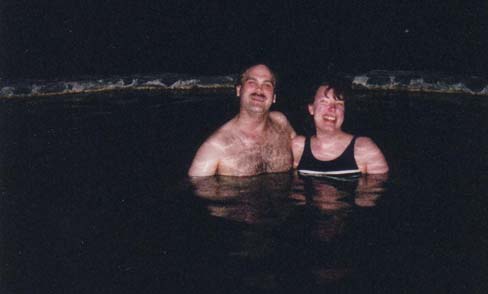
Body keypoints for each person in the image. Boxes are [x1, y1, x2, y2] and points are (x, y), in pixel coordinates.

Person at [188, 64, 296, 177]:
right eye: (252, 83)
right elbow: (194, 188)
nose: (259, 89)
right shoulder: (215, 147)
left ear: (274, 97)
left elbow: (306, 151)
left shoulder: (281, 123)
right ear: (239, 90)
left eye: (267, 85)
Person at [292, 78, 389, 175]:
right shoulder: (298, 147)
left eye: (339, 104)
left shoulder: (364, 148)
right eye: (324, 102)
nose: (332, 108)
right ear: (311, 109)